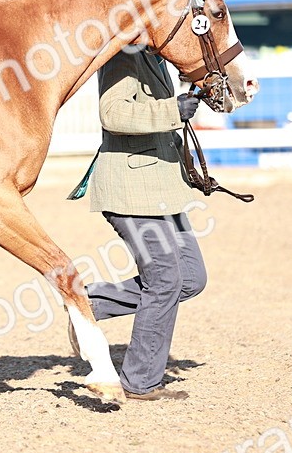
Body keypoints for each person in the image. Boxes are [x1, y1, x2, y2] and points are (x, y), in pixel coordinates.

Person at [67, 47, 207, 401]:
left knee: (190, 279)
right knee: (165, 279)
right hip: (129, 189)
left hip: (160, 188)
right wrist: (172, 109)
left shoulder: (156, 58)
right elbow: (112, 114)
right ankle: (140, 382)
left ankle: (89, 304)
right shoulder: (123, 57)